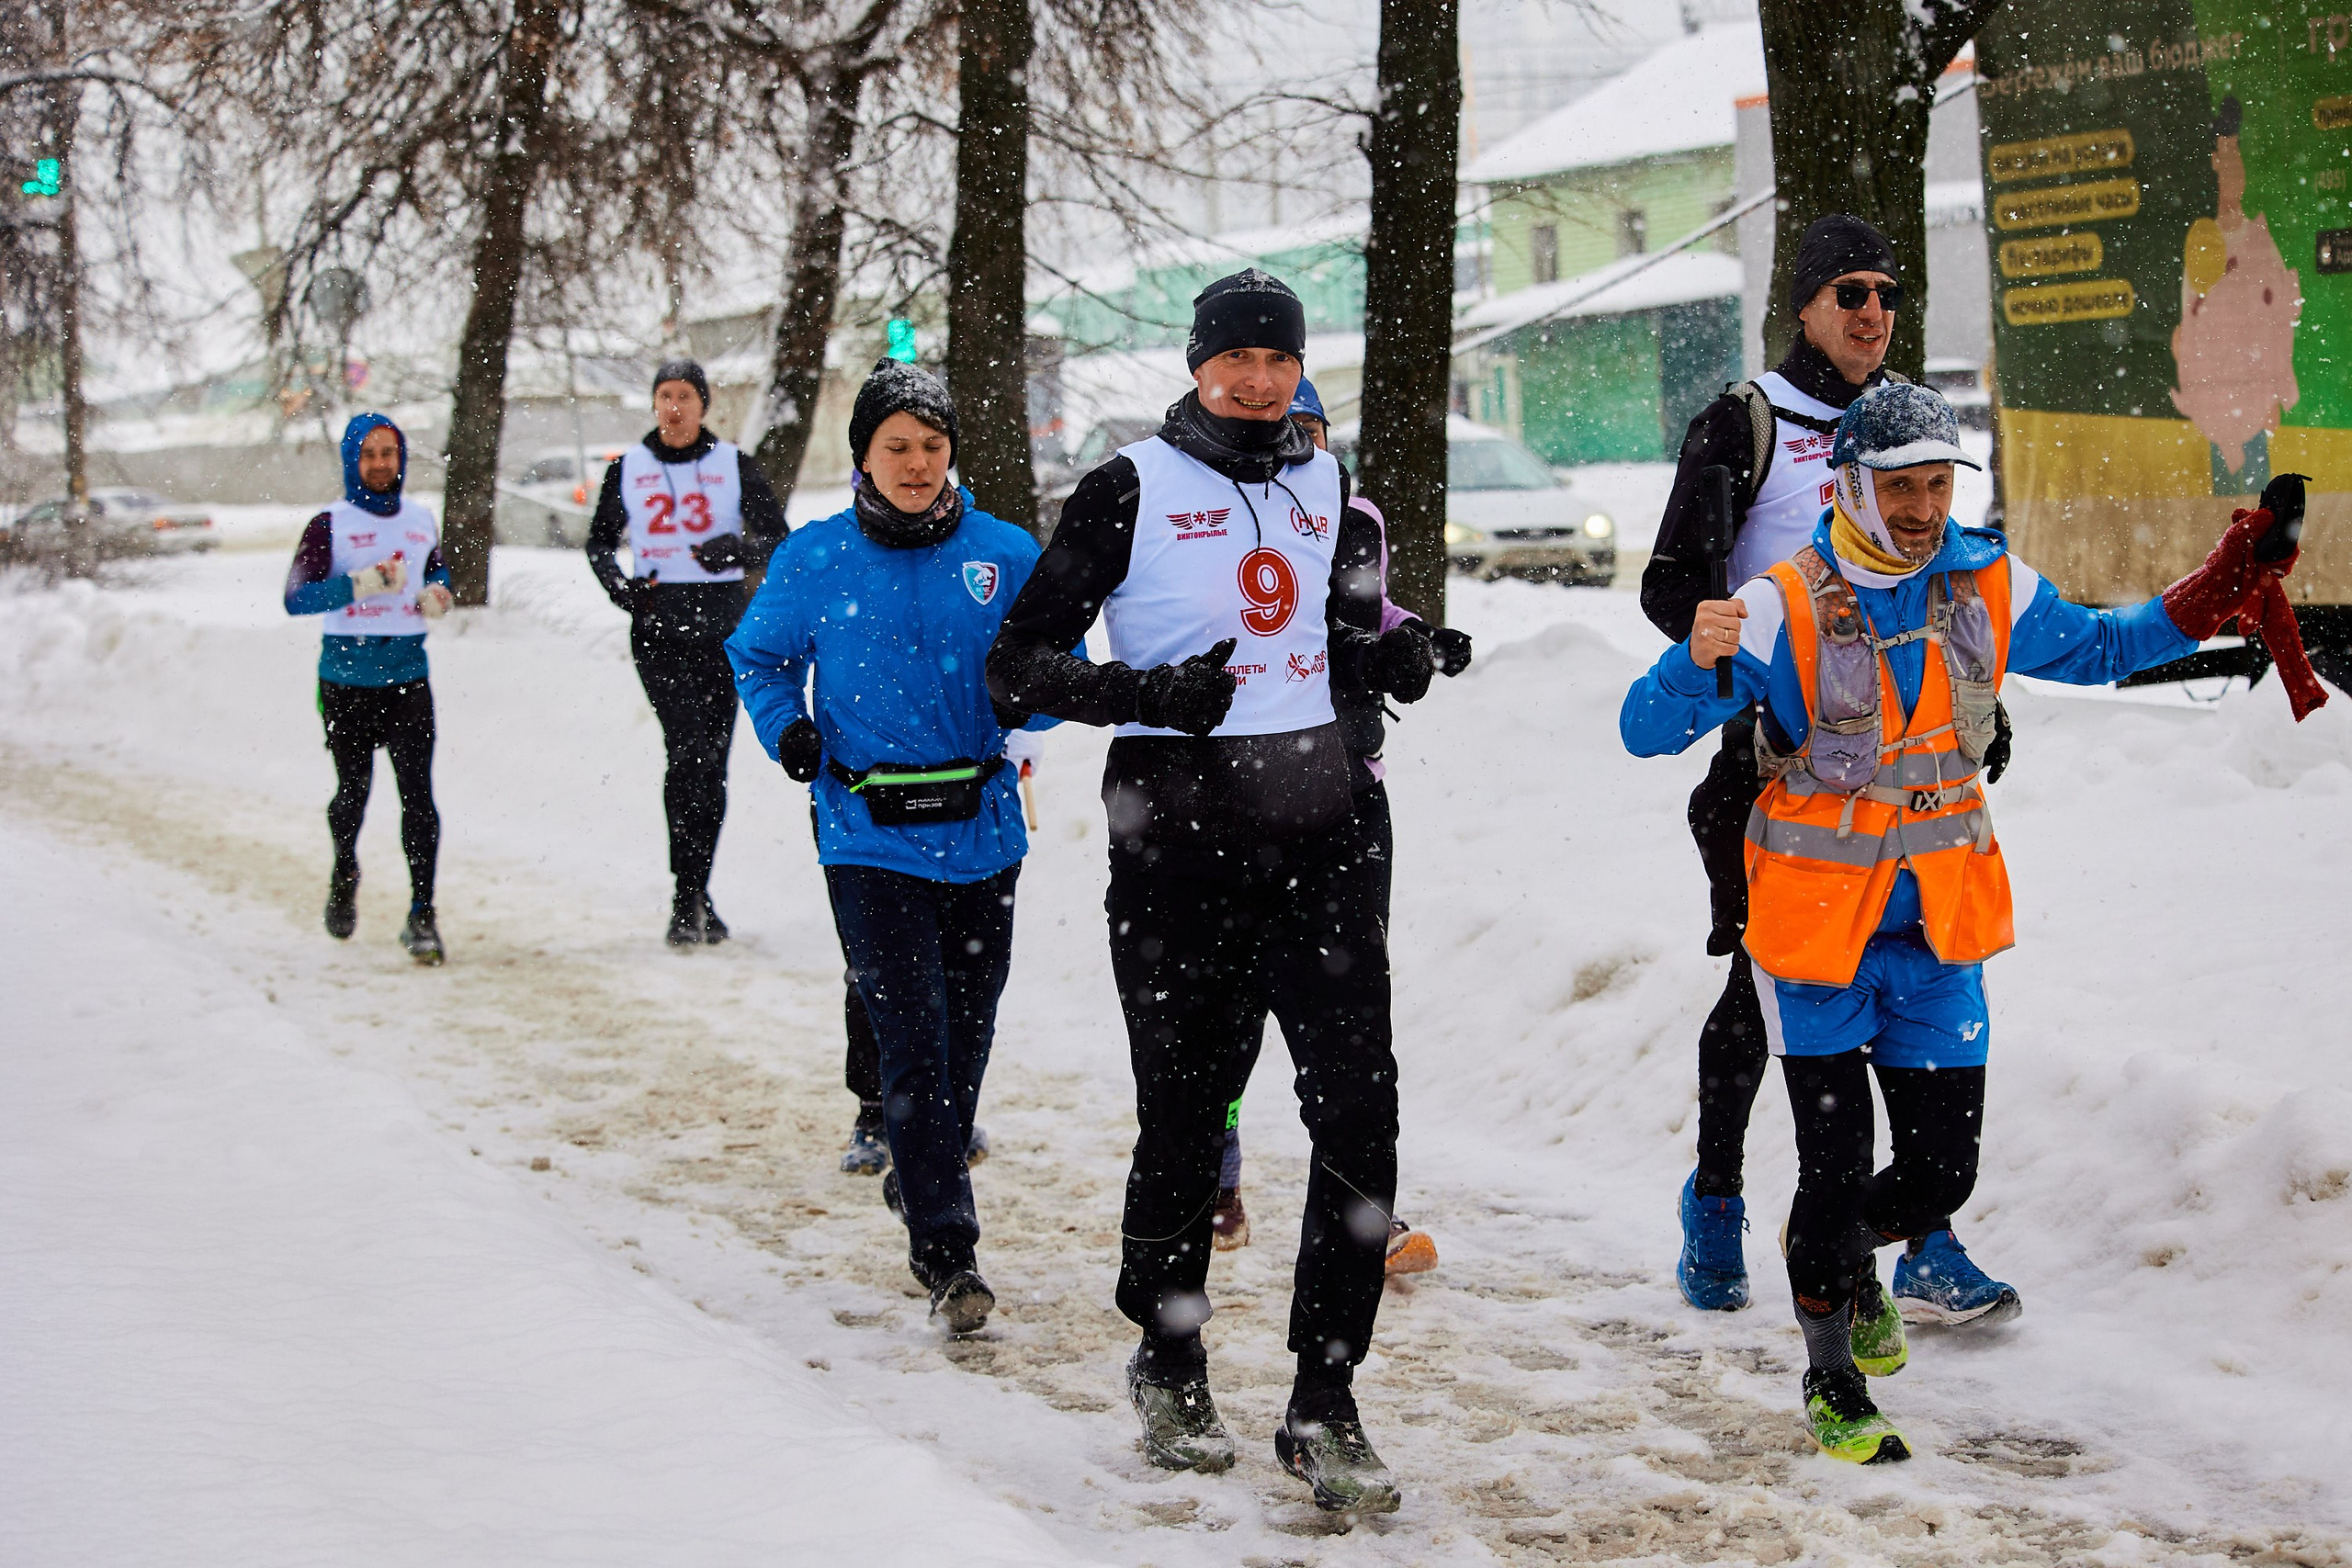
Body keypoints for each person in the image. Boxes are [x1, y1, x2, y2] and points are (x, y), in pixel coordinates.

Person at [1619, 380, 2305, 1464]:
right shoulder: (1779, 602)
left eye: (1939, 482)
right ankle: (1831, 1372)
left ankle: (1836, 1258)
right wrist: (1690, 656)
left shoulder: (1983, 577)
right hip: (1815, 937)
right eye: (1902, 485)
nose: (1923, 506)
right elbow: (1642, 731)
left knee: (1941, 1177)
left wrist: (2226, 580)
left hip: (1939, 926)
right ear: (1849, 484)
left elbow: (2101, 647)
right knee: (1834, 1166)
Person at [987, 269, 1436, 1515]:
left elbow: (1346, 633)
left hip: (1330, 825)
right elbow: (1014, 664)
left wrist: (1393, 651)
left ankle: (1325, 1393)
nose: (1256, 378)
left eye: (1276, 359)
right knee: (1187, 1106)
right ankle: (1170, 1350)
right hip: (1179, 831)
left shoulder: (1329, 486)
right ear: (1197, 364)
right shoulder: (1129, 487)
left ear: (1299, 368)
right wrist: (1144, 692)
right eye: (1233, 356)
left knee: (1362, 1109)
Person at [1642, 213, 2014, 1318]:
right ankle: (1716, 1199)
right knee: (1763, 995)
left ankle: (1920, 1234)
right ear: (1800, 303)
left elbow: (1958, 589)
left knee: (1913, 984)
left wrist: (1975, 704)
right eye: (1848, 291)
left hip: (1912, 769)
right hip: (1776, 766)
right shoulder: (1745, 424)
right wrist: (1723, 633)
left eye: (1888, 295)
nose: (1871, 313)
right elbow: (1670, 586)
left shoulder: (1912, 431)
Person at [729, 359, 1051, 1335]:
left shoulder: (1002, 553)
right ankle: (948, 1253)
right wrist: (788, 727)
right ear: (864, 456)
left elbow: (1056, 666)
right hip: (867, 833)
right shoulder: (816, 559)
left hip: (983, 830)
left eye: (932, 446)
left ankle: (923, 1178)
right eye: (896, 448)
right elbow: (758, 654)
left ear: (953, 452)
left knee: (968, 1038)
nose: (916, 465)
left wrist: (1034, 700)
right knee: (910, 1041)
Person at [1210, 378, 1463, 1281]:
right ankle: (1216, 1162)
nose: (1297, 442)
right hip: (1241, 796)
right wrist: (1367, 653)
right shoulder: (1219, 519)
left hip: (1351, 789)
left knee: (1354, 1010)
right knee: (1234, 1001)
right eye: (1282, 427)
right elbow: (1279, 634)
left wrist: (1417, 637)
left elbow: (1367, 609)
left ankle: (1367, 1209)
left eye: (1310, 427)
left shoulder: (1356, 515)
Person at [587, 358, 789, 945]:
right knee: (689, 753)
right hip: (659, 630)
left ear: (704, 405)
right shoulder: (628, 468)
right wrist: (619, 589)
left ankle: (699, 889)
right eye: (664, 396)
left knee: (715, 764)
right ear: (654, 405)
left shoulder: (735, 466)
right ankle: (685, 897)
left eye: (685, 396)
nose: (674, 406)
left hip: (723, 629)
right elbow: (599, 542)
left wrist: (736, 550)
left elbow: (778, 540)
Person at [282, 412, 453, 965]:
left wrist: (438, 596)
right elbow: (296, 598)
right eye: (370, 454)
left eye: (390, 452)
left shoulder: (421, 519)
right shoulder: (329, 524)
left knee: (418, 798)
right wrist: (360, 583)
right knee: (352, 794)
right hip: (347, 681)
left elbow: (439, 575)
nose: (381, 464)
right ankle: (344, 869)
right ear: (353, 461)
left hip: (407, 677)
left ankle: (422, 913)